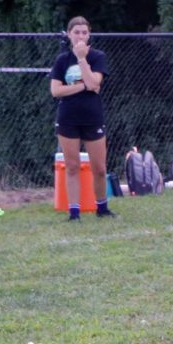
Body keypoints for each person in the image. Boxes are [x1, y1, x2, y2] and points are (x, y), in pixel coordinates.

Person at [49, 16, 114, 220]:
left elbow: (95, 84)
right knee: (72, 166)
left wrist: (81, 58)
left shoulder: (97, 57)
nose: (80, 36)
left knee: (100, 168)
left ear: (89, 35)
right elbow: (56, 91)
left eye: (84, 32)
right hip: (68, 118)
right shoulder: (61, 60)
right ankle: (74, 212)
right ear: (69, 34)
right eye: (76, 32)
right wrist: (82, 86)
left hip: (92, 117)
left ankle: (102, 209)